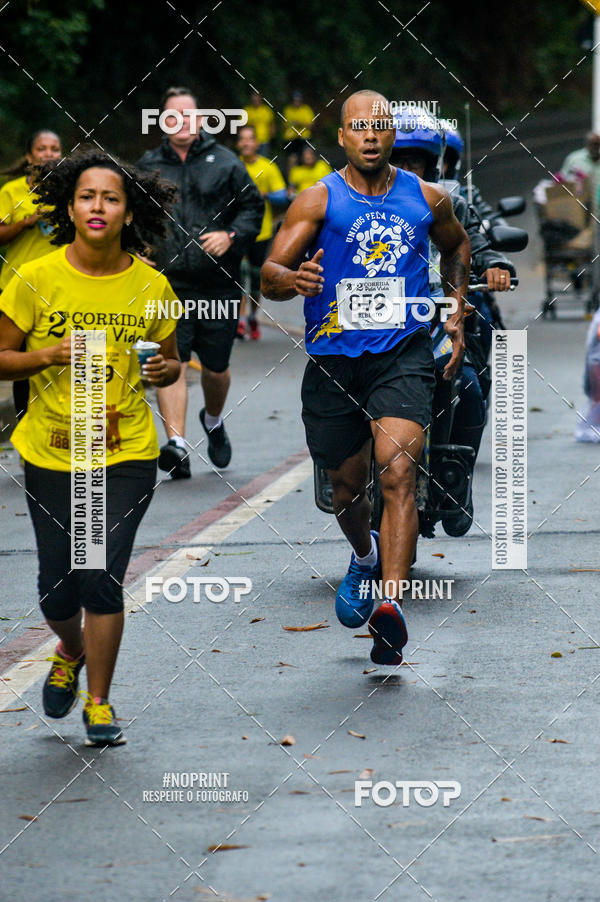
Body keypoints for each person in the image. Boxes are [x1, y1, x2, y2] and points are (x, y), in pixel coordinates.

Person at [262, 90, 469, 665]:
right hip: (334, 359)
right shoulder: (317, 200)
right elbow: (269, 274)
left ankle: (391, 607)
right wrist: (292, 279)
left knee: (399, 469)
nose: (371, 136)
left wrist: (454, 307)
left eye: (379, 127)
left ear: (391, 136)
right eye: (359, 128)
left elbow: (456, 246)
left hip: (402, 353)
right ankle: (362, 556)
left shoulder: (427, 197)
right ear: (344, 137)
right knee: (346, 489)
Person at [0, 148, 180, 745]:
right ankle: (70, 649)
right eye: (86, 196)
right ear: (69, 208)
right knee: (58, 588)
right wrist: (48, 355)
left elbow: (171, 360)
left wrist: (163, 373)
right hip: (53, 450)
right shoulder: (35, 278)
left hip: (125, 452)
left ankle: (100, 703)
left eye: (110, 197)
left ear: (129, 212)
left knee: (99, 576)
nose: (97, 206)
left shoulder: (151, 286)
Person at [391, 111, 515, 534]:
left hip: (434, 318)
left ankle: (455, 482)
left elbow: (476, 243)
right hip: (375, 328)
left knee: (469, 386)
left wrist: (495, 263)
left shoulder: (450, 202)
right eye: (398, 159)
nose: (407, 170)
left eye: (416, 162)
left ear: (433, 164)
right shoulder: (356, 203)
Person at [137, 86, 263, 477]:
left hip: (218, 284)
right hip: (168, 284)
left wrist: (231, 236)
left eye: (190, 115)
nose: (182, 123)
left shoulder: (225, 162)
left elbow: (252, 207)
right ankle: (176, 444)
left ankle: (212, 419)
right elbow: (133, 212)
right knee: (170, 361)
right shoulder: (147, 165)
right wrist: (136, 248)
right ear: (162, 121)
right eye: (173, 116)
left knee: (215, 367)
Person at [0, 130, 63, 420]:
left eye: (54, 149)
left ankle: (61, 426)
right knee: (24, 363)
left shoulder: (71, 189)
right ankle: (27, 428)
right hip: (18, 289)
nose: (48, 153)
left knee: (60, 359)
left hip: (61, 289)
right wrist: (27, 222)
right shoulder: (12, 191)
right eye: (42, 148)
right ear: (29, 156)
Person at [237, 124, 287, 340]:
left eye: (250, 139)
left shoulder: (268, 167)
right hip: (237, 231)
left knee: (256, 281)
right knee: (239, 275)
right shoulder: (233, 166)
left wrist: (264, 194)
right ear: (239, 144)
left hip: (261, 232)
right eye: (243, 139)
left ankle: (253, 316)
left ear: (257, 143)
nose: (246, 143)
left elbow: (282, 196)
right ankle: (239, 322)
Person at [282, 91, 315, 164]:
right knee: (292, 158)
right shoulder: (288, 110)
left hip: (304, 138)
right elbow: (284, 125)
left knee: (306, 157)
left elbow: (311, 125)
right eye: (294, 100)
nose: (296, 102)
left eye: (298, 100)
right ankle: (291, 174)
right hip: (291, 139)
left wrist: (299, 124)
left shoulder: (306, 110)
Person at [244, 91, 276, 156]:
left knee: (263, 159)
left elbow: (271, 124)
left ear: (260, 99)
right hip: (251, 141)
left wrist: (272, 135)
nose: (255, 102)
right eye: (253, 100)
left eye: (257, 100)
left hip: (264, 140)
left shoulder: (266, 110)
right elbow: (242, 127)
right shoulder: (247, 110)